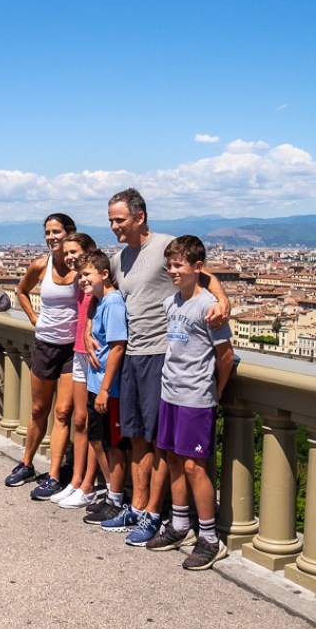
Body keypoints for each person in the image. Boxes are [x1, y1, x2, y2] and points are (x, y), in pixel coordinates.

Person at [94, 188, 231, 547]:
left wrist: (222, 300)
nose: (114, 226)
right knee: (137, 437)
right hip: (132, 355)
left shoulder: (165, 247)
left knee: (159, 445)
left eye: (120, 219)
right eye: (110, 220)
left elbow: (204, 275)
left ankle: (155, 513)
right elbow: (101, 292)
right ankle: (138, 507)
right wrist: (86, 332)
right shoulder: (119, 259)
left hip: (160, 356)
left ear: (140, 217)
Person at [142, 236, 236, 569]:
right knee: (173, 459)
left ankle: (209, 538)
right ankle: (180, 525)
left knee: (195, 467)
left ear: (197, 267)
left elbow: (226, 356)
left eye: (178, 265)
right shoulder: (172, 303)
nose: (172, 271)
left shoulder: (209, 308)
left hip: (196, 397)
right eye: (169, 265)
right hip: (171, 392)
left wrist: (215, 391)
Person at [5, 213, 81, 497]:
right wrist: (34, 318)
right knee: (38, 409)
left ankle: (53, 474)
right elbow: (22, 291)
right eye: (47, 232)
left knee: (63, 412)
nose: (51, 237)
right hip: (45, 345)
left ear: (69, 233)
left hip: (73, 349)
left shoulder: (82, 267)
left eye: (56, 232)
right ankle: (26, 463)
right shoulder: (40, 265)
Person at [45, 232, 100, 509]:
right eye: (66, 253)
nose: (68, 257)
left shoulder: (97, 279)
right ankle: (76, 481)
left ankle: (88, 484)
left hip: (94, 355)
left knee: (92, 422)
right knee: (79, 420)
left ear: (89, 251)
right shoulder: (79, 281)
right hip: (78, 352)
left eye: (74, 251)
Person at [76, 250, 129, 526]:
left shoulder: (113, 303)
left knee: (113, 444)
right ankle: (111, 493)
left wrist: (106, 389)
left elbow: (118, 346)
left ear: (105, 274)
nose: (82, 280)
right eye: (80, 276)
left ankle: (117, 499)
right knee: (97, 439)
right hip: (97, 383)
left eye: (87, 274)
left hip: (109, 388)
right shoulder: (99, 302)